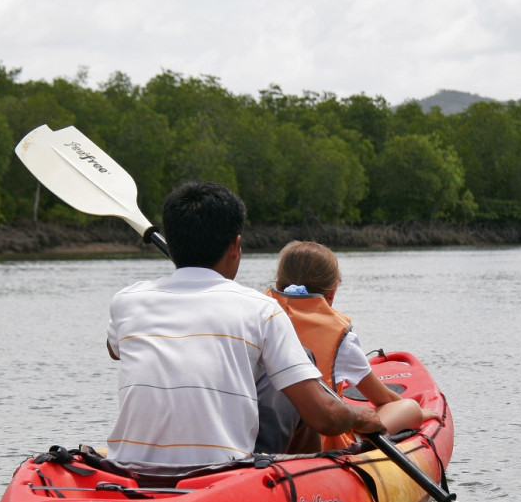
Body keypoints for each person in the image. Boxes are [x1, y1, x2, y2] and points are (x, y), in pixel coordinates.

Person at [105, 182, 385, 474]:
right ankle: (306, 482)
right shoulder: (261, 310)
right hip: (218, 476)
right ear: (236, 246)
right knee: (301, 359)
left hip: (125, 470)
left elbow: (115, 350)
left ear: (172, 246)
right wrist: (361, 418)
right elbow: (325, 417)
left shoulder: (127, 300)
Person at [264, 240, 441, 453]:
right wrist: (420, 415)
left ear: (278, 282)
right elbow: (383, 398)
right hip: (323, 446)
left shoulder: (258, 316)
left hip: (266, 438)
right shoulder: (341, 338)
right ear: (332, 291)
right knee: (409, 408)